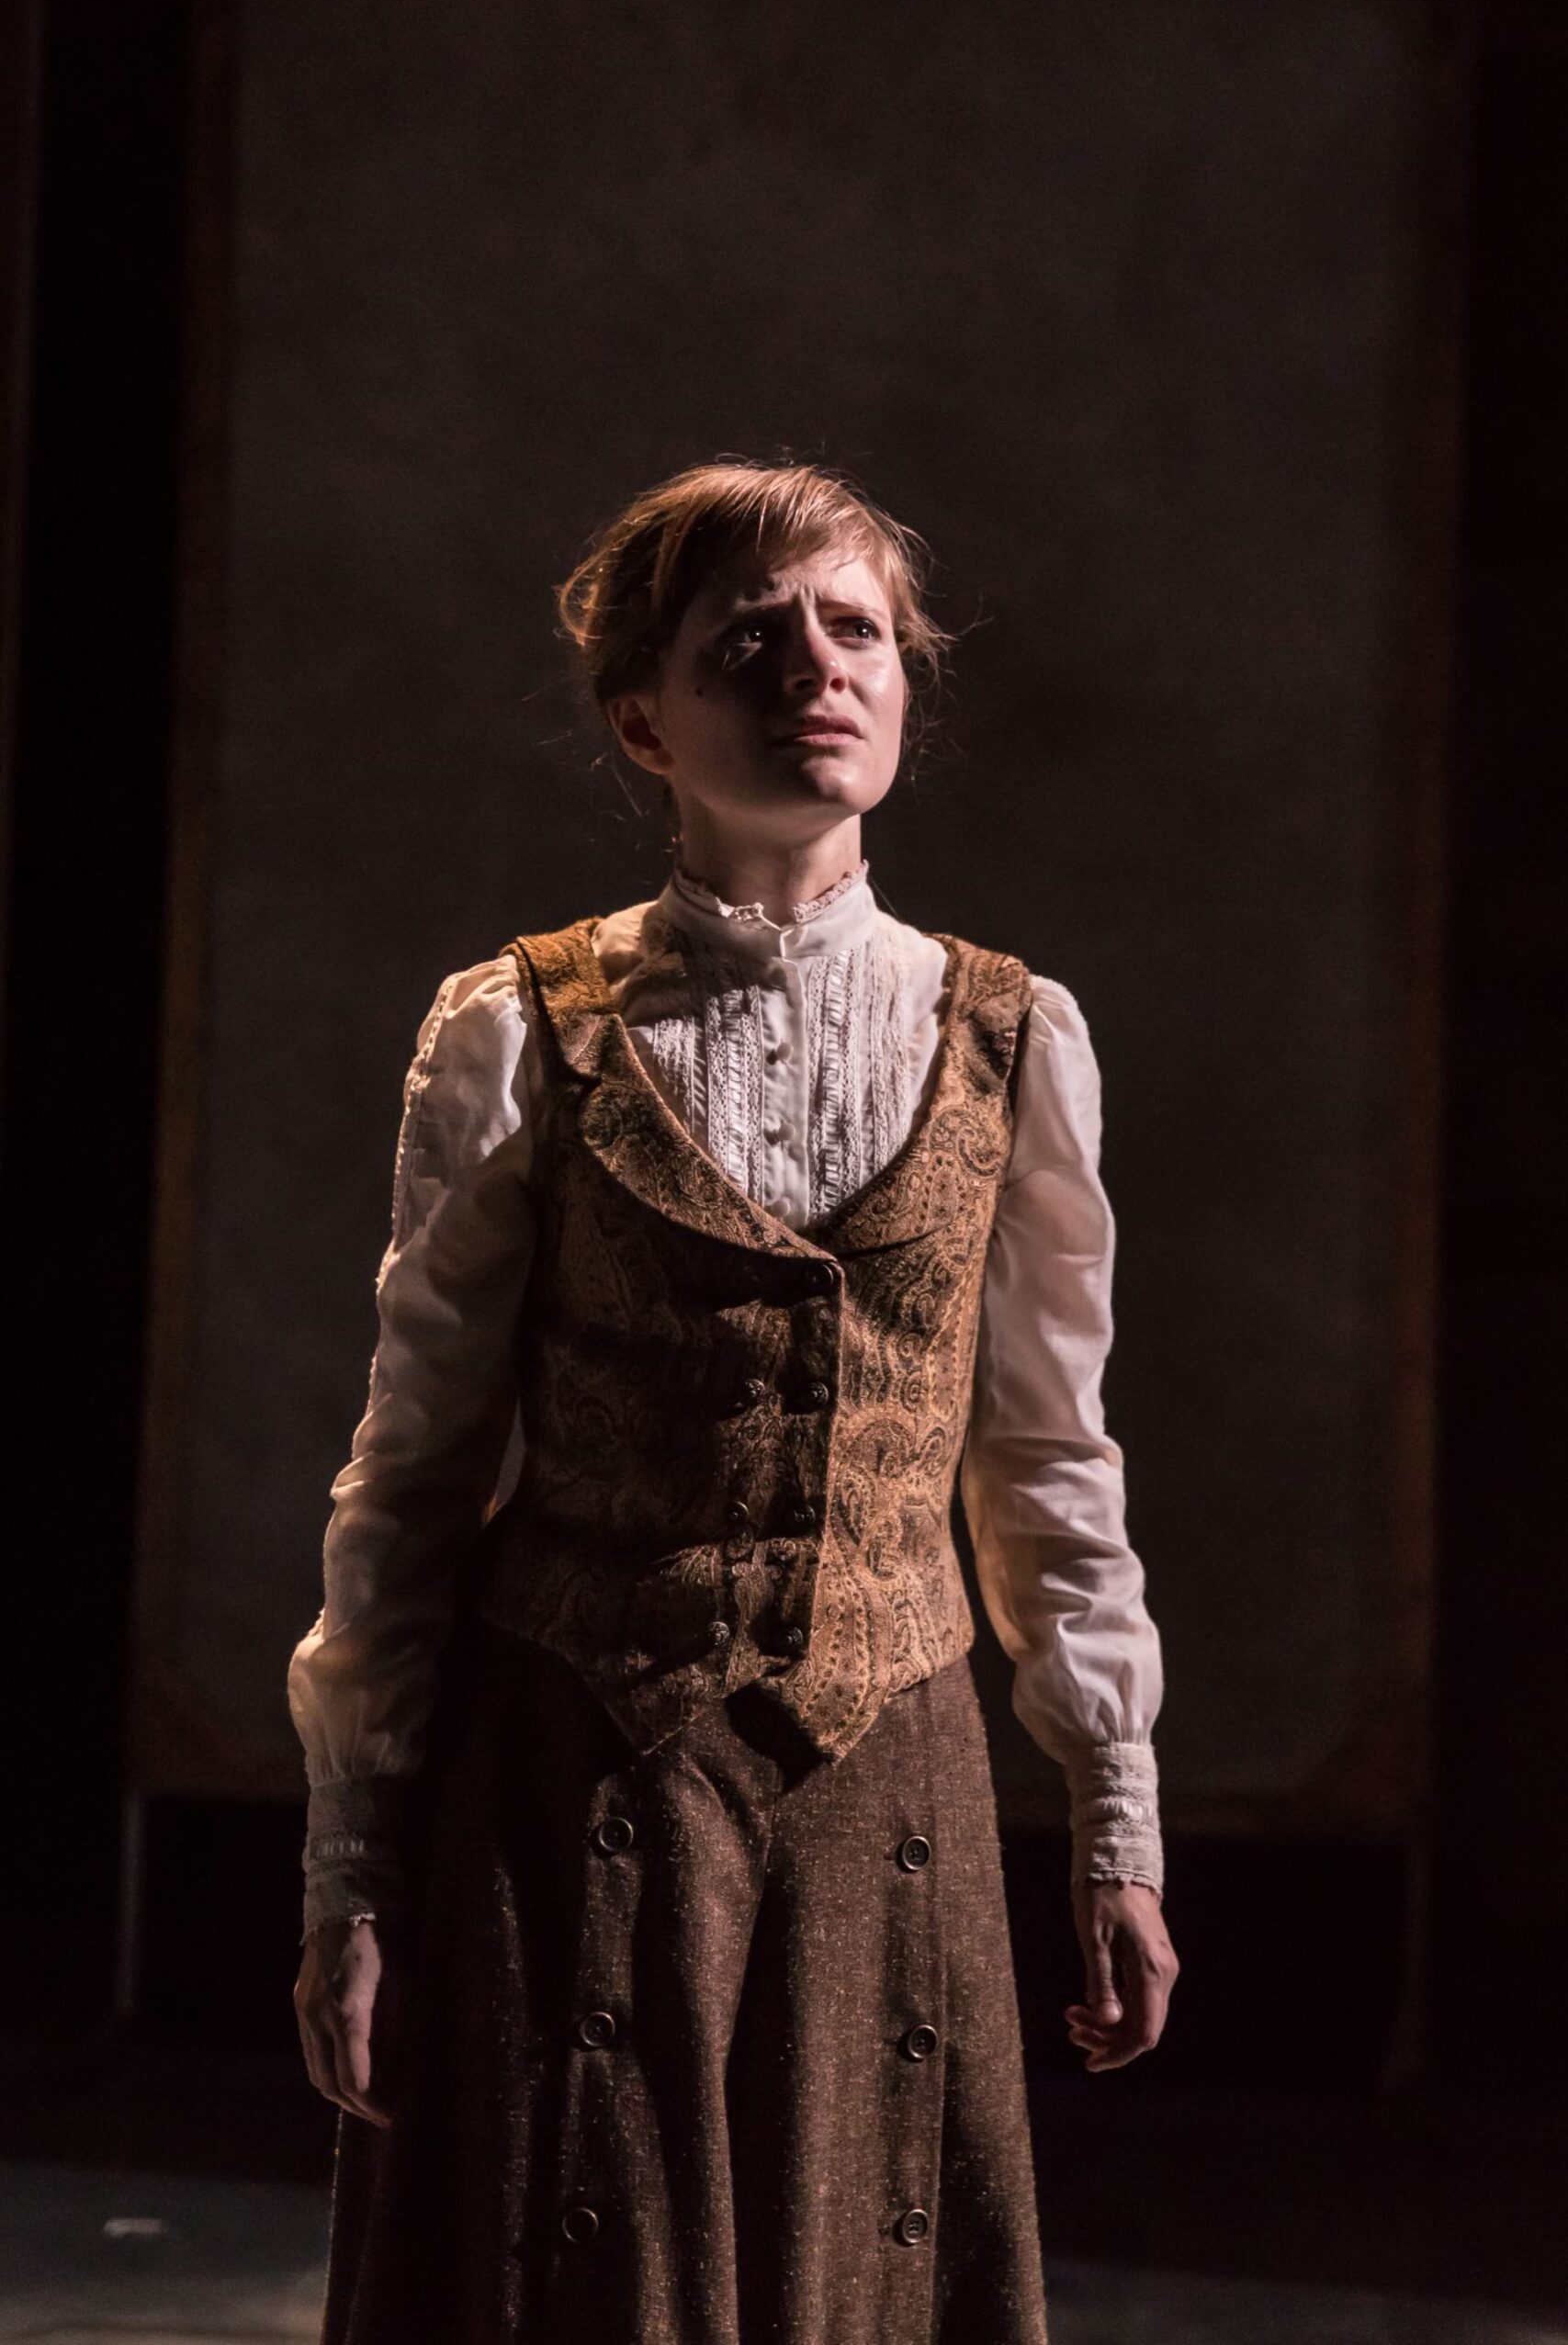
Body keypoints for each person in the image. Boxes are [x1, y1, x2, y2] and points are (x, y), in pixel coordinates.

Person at [288, 457, 1177, 2343]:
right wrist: (352, 1862)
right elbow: (413, 1465)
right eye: (751, 637)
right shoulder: (521, 1028)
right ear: (645, 719)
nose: (817, 666)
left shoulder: (1013, 1035)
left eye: (856, 629)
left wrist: (1115, 1817)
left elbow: (1046, 1455)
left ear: (903, 689)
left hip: (884, 1784)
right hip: (571, 1773)